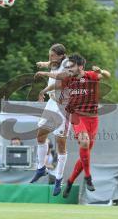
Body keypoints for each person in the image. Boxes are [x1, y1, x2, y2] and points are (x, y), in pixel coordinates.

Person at [37, 54, 111, 198]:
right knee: (84, 142)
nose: (69, 67)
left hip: (93, 118)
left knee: (86, 152)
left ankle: (70, 181)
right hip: (77, 117)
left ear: (80, 67)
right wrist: (44, 91)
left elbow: (107, 76)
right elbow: (56, 84)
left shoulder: (90, 75)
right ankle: (88, 178)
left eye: (72, 65)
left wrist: (101, 71)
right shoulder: (68, 78)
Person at [30, 44, 69, 196]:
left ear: (61, 56)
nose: (50, 58)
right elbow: (51, 66)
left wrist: (44, 73)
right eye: (49, 55)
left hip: (63, 106)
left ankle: (59, 179)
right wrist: (44, 64)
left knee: (61, 145)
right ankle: (41, 168)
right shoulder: (55, 62)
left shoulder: (67, 64)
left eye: (52, 55)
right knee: (40, 135)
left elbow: (60, 79)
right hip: (52, 102)